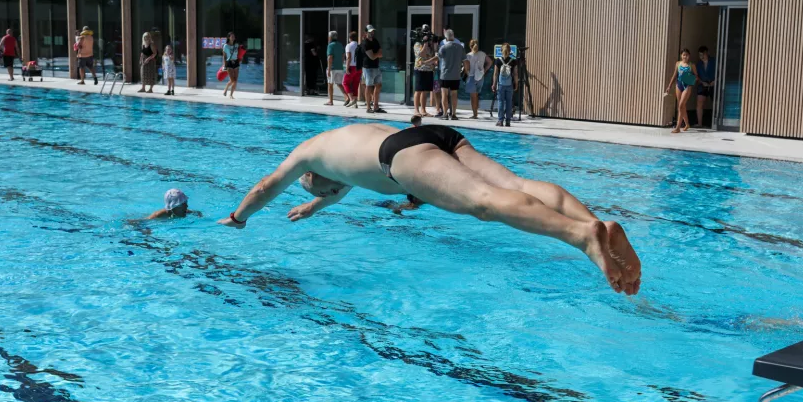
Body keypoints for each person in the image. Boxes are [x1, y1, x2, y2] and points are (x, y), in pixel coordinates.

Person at [217, 124, 642, 295]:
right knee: (514, 184)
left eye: (320, 190)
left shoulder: (305, 159)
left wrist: (239, 218)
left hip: (399, 155)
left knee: (483, 203)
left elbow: (266, 186)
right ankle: (594, 223)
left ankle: (581, 237)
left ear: (316, 179)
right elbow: (342, 185)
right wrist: (315, 207)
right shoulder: (335, 148)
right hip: (430, 133)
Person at [665, 49, 699, 134]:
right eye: (683, 55)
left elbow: (696, 76)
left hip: (687, 85)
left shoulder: (692, 65)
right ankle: (687, 124)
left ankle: (677, 128)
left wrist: (690, 79)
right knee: (681, 106)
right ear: (681, 55)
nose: (685, 56)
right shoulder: (678, 63)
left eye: (687, 55)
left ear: (689, 56)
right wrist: (669, 86)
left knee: (681, 105)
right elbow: (674, 75)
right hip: (678, 85)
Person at [437, 29, 466, 121]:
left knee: (444, 94)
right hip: (456, 75)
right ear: (453, 36)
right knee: (454, 94)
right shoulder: (460, 47)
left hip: (445, 74)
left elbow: (439, 57)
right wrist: (466, 71)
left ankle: (445, 114)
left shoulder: (444, 47)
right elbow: (465, 60)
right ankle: (453, 114)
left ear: (446, 37)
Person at [412, 26, 438, 117]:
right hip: (420, 69)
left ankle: (423, 110)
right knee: (418, 90)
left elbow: (434, 54)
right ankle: (416, 110)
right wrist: (425, 43)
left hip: (429, 69)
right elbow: (421, 54)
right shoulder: (417, 44)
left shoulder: (431, 44)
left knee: (425, 91)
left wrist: (434, 44)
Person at [360, 25, 385, 114]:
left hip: (376, 67)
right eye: (370, 32)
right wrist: (377, 54)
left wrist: (376, 54)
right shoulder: (365, 43)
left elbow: (381, 54)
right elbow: (372, 57)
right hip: (368, 68)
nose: (372, 33)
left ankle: (376, 106)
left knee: (379, 85)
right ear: (366, 32)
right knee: (369, 86)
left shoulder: (375, 41)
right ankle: (368, 107)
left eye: (373, 31)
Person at [493, 43, 518, 127]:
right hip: (509, 84)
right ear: (510, 51)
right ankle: (508, 121)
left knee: (500, 102)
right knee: (509, 102)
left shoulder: (498, 60)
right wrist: (516, 84)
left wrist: (494, 84)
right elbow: (515, 74)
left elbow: (495, 73)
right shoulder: (513, 61)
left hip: (501, 84)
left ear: (501, 51)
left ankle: (500, 120)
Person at [465, 39, 492, 119]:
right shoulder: (482, 54)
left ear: (470, 46)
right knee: (476, 95)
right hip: (480, 77)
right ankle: (476, 111)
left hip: (472, 77)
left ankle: (475, 114)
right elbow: (490, 62)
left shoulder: (469, 55)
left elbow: (467, 67)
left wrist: (467, 73)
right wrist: (485, 70)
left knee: (473, 96)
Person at [695, 46, 716, 128]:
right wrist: (701, 82)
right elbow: (696, 76)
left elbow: (721, 71)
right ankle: (700, 123)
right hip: (703, 84)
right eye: (700, 55)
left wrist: (715, 81)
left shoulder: (714, 61)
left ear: (708, 53)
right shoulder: (698, 64)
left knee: (715, 103)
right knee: (699, 103)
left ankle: (715, 123)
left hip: (713, 84)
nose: (702, 57)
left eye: (703, 54)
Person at [325, 31, 346, 106]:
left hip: (333, 68)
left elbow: (330, 57)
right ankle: (347, 97)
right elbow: (343, 55)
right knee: (340, 84)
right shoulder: (340, 45)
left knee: (330, 84)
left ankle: (330, 101)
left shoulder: (330, 45)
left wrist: (329, 69)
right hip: (339, 67)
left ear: (330, 37)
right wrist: (341, 63)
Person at [342, 31, 362, 109]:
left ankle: (351, 99)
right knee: (355, 84)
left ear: (349, 38)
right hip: (359, 67)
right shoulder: (359, 46)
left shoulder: (349, 45)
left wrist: (347, 68)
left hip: (352, 66)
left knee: (345, 83)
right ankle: (355, 103)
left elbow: (349, 57)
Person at [222, 32, 240, 99]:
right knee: (233, 80)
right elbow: (224, 56)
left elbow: (238, 54)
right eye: (231, 36)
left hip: (236, 62)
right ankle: (227, 89)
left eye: (233, 36)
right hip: (229, 62)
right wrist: (224, 65)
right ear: (228, 37)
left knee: (235, 80)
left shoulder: (236, 45)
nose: (233, 38)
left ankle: (231, 94)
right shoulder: (225, 46)